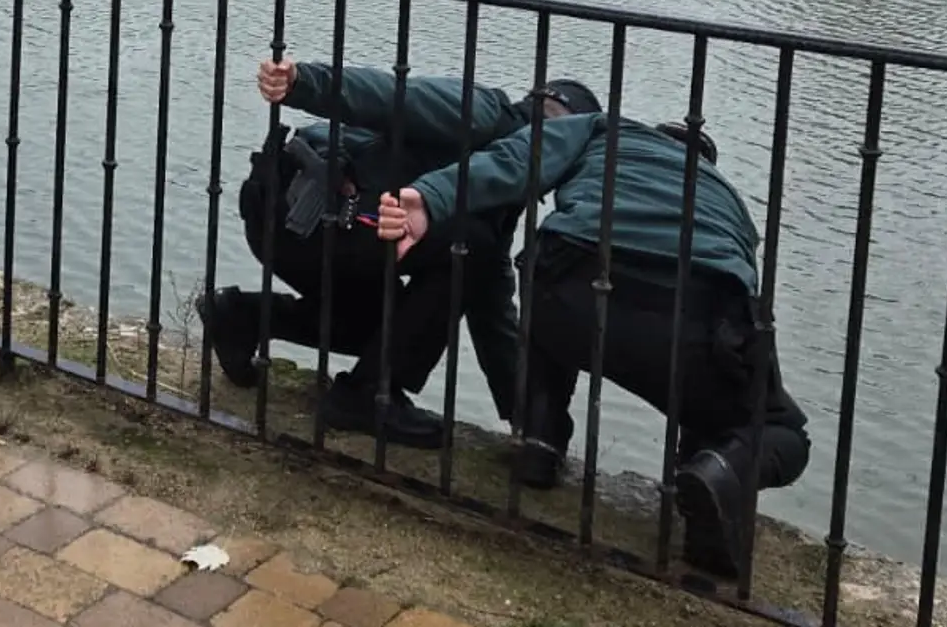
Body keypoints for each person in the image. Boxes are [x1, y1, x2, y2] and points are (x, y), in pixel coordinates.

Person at [374, 113, 810, 578]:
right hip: (692, 314)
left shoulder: (605, 131)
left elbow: (517, 158)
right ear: (706, 163)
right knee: (774, 426)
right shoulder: (728, 200)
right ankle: (716, 471)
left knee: (548, 280)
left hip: (575, 284)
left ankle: (540, 440)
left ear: (653, 135)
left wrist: (431, 198)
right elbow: (742, 312)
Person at [197, 55, 601, 449]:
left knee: (381, 328)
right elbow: (392, 95)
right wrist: (305, 82)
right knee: (470, 249)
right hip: (309, 212)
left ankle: (241, 317)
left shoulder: (502, 192)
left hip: (299, 223)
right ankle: (370, 395)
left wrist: (530, 422)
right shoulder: (483, 114)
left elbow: (491, 308)